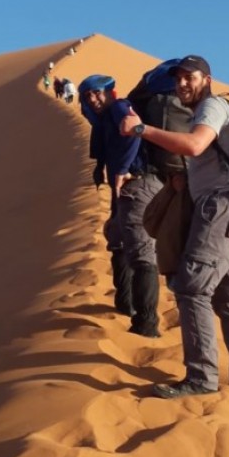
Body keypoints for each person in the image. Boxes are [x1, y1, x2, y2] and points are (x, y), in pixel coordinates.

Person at [120, 55, 229, 398]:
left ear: (207, 80)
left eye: (190, 77)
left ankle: (201, 378)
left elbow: (195, 145)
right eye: (178, 78)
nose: (182, 84)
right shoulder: (214, 110)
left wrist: (141, 129)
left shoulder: (212, 107)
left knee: (191, 289)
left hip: (222, 210)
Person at [79, 74, 164, 337]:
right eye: (87, 96)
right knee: (117, 240)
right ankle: (125, 304)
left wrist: (122, 169)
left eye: (97, 92)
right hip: (124, 188)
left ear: (109, 91)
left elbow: (133, 134)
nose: (93, 99)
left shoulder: (119, 107)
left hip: (138, 182)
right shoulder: (103, 119)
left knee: (141, 251)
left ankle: (146, 323)